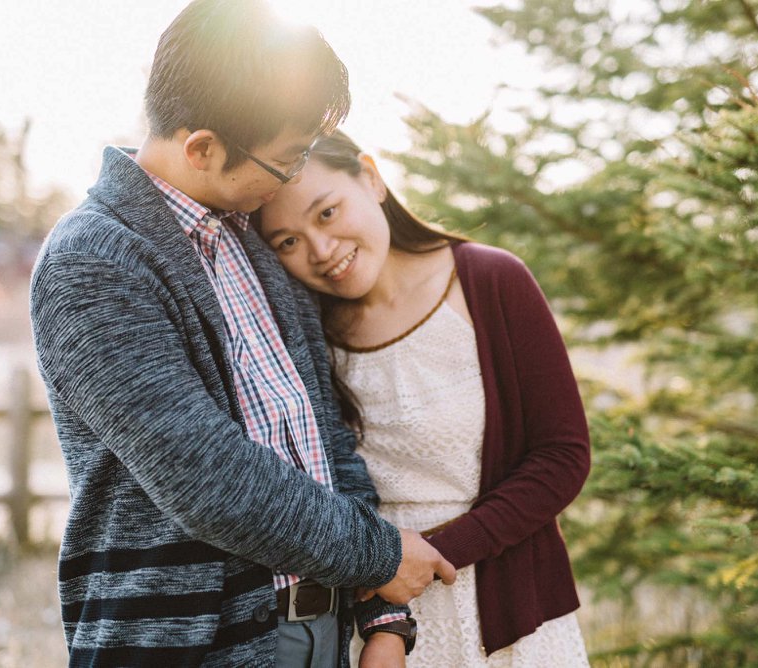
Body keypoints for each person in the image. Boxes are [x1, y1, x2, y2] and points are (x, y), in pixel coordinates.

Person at [29, 3, 454, 666]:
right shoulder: (92, 262)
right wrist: (381, 554)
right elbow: (204, 475)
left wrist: (382, 612)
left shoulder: (254, 242)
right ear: (202, 148)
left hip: (320, 634)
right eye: (287, 160)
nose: (293, 176)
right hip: (191, 644)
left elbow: (326, 439)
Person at [254, 130, 593, 667]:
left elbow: (562, 457)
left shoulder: (490, 280)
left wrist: (436, 555)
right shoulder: (301, 331)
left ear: (371, 178)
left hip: (506, 609)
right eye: (287, 242)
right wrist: (384, 607)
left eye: (326, 213)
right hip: (375, 624)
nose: (320, 250)